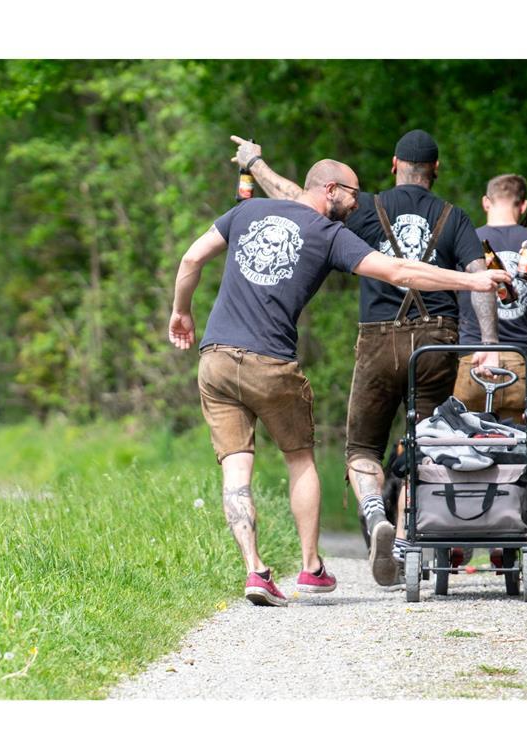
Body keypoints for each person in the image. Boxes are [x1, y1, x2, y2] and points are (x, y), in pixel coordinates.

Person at [169, 157, 508, 607]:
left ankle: (255, 570)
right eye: (352, 193)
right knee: (300, 460)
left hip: (214, 358)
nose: (356, 202)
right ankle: (310, 567)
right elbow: (400, 273)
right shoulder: (329, 235)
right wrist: (472, 282)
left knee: (236, 467)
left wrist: (181, 311)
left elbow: (192, 257)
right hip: (270, 363)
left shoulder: (246, 212)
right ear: (330, 189)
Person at [454, 174, 527, 421]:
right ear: (524, 205)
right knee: (518, 451)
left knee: (464, 451)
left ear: (486, 202)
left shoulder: (467, 241)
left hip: (474, 359)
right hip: (520, 362)